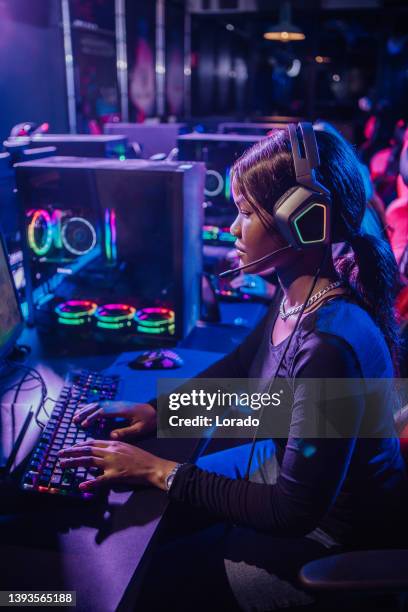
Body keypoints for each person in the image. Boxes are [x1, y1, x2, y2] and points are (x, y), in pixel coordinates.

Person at [58, 126, 407, 611]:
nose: (232, 229)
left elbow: (292, 513)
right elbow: (246, 367)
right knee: (143, 515)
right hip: (285, 473)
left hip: (331, 541)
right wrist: (159, 411)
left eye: (246, 213)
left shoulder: (330, 345)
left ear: (303, 222)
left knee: (146, 581)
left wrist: (161, 470)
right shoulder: (298, 294)